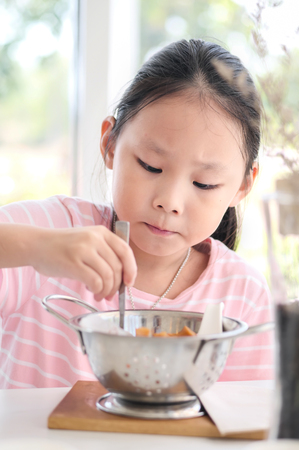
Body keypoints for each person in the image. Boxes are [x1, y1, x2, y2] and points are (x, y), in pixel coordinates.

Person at [0, 39, 273, 389]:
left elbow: (247, 422)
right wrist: (37, 248)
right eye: (150, 165)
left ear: (243, 185)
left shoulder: (243, 292)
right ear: (110, 144)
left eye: (204, 183)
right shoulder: (54, 231)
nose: (170, 202)